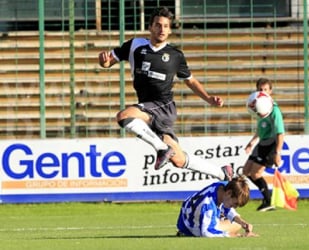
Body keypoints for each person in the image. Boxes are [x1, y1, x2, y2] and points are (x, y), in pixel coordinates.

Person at [98, 6, 233, 180]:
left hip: (164, 106)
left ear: (170, 30)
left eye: (165, 26)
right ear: (150, 27)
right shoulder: (135, 46)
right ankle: (223, 173)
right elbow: (109, 61)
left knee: (124, 116)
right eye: (158, 25)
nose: (161, 29)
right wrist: (104, 62)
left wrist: (208, 98)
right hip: (147, 106)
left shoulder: (175, 55)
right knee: (178, 159)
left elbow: (190, 80)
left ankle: (161, 149)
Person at [243, 78, 285, 212]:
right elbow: (261, 129)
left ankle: (268, 200)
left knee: (255, 173)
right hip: (262, 143)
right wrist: (252, 142)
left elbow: (280, 133)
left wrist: (278, 152)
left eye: (265, 90)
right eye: (260, 90)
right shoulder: (260, 108)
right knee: (246, 171)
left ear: (270, 91)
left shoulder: (274, 110)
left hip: (271, 144)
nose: (263, 92)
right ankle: (268, 199)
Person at [176, 176, 259, 237]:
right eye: (235, 204)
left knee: (237, 222)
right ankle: (186, 233)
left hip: (186, 217)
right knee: (235, 225)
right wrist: (238, 235)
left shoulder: (223, 187)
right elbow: (207, 233)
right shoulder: (208, 204)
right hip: (191, 227)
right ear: (229, 193)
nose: (235, 207)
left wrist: (242, 222)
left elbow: (227, 207)